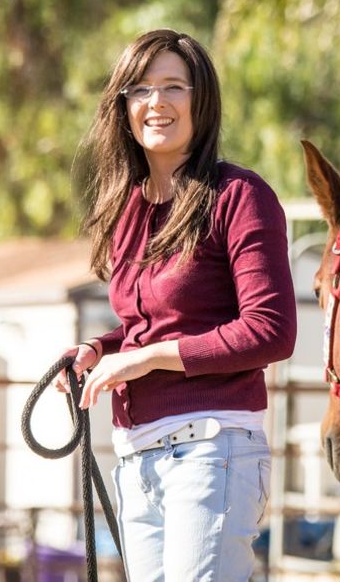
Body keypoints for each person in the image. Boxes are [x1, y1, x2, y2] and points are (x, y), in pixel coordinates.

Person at [53, 29, 297, 582]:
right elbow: (153, 324)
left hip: (212, 452)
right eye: (140, 89)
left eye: (172, 87)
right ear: (124, 106)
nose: (156, 102)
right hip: (139, 459)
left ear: (200, 100)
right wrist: (101, 349)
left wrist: (143, 360)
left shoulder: (239, 197)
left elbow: (271, 330)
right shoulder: (128, 210)